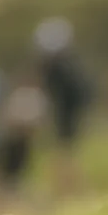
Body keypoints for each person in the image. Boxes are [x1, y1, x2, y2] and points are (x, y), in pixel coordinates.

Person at [35, 17, 94, 195]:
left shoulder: (59, 68)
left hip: (64, 114)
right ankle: (66, 186)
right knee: (65, 151)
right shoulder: (67, 65)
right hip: (65, 114)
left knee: (64, 151)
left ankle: (66, 186)